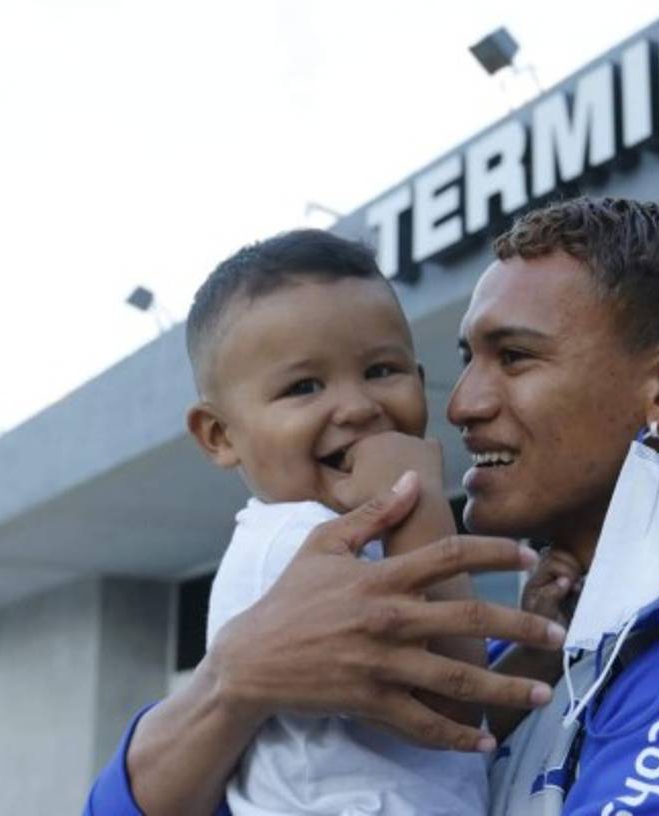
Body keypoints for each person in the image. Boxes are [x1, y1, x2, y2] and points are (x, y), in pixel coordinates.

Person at [88, 197, 659, 814]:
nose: (461, 405)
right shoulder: (565, 664)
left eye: (514, 357)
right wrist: (232, 682)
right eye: (464, 360)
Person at [181, 230, 498, 815]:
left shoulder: (345, 535)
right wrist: (421, 502)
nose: (357, 407)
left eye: (382, 370)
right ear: (220, 435)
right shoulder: (296, 546)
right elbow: (451, 698)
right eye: (304, 386)